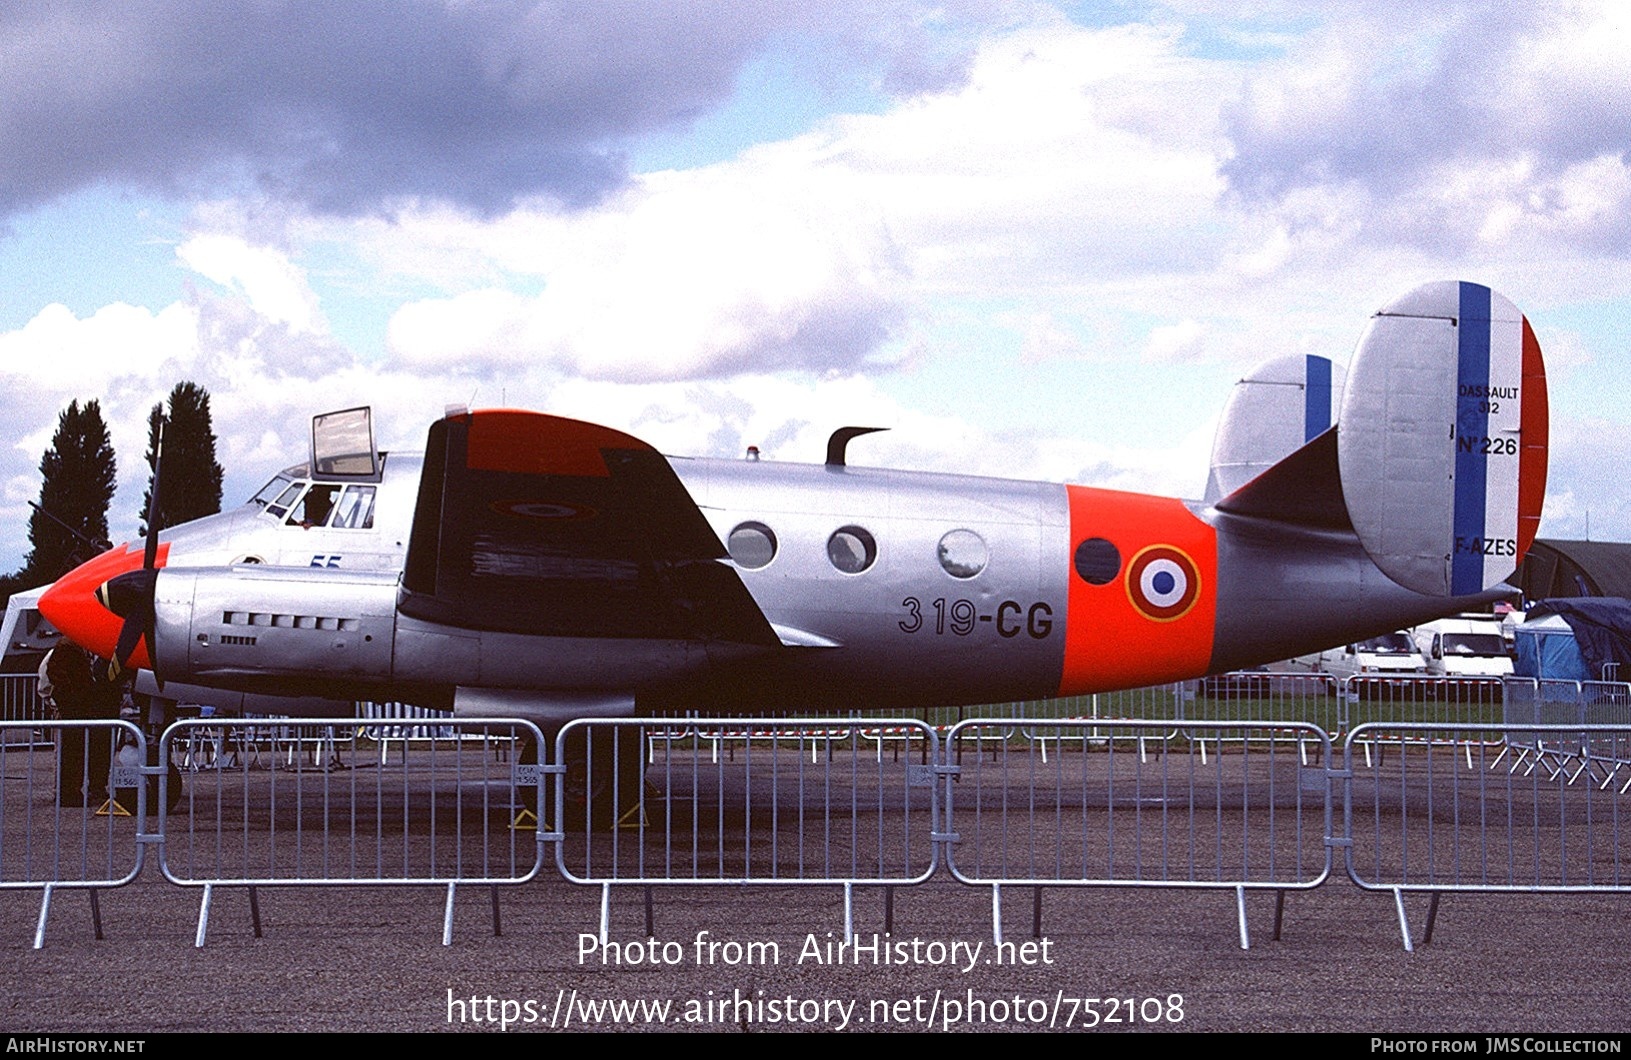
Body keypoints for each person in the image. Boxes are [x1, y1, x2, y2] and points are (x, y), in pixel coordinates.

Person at [43, 643, 119, 806]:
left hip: (99, 707)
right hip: (77, 709)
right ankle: (69, 792)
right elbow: (55, 675)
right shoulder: (68, 647)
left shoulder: (105, 649)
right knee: (73, 751)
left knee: (99, 750)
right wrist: (70, 700)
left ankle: (95, 787)